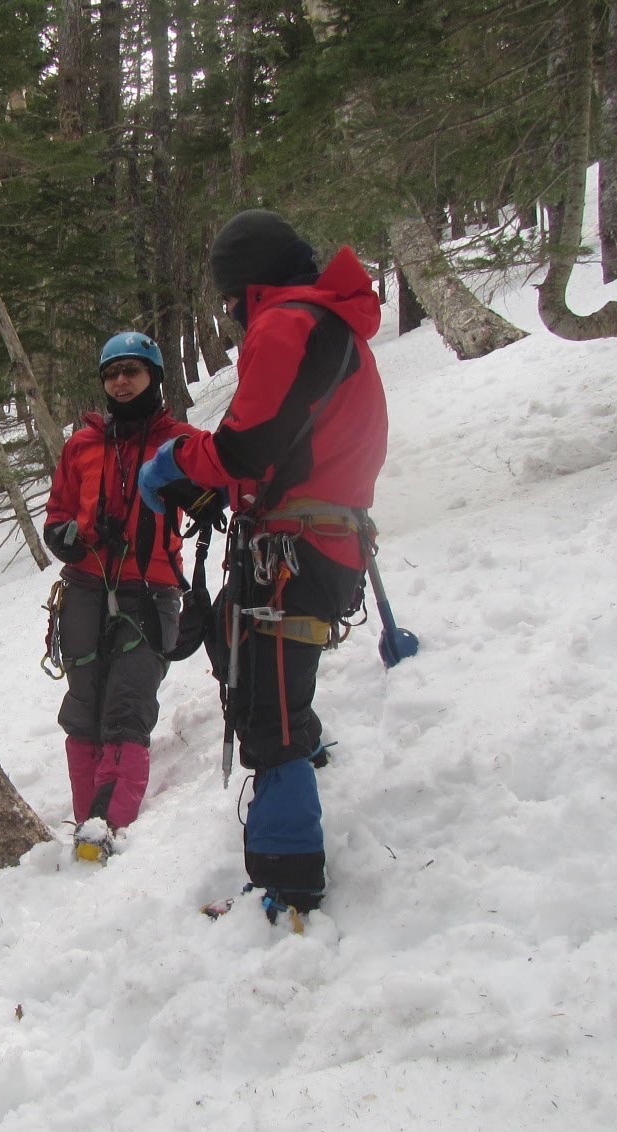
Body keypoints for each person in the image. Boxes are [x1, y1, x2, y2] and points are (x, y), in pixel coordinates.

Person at [137, 209, 388, 924]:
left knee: (268, 709)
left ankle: (290, 882)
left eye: (228, 302)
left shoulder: (287, 324)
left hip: (295, 549)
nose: (229, 317)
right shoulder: (331, 326)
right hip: (319, 538)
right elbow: (284, 445)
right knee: (244, 660)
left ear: (247, 288)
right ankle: (299, 784)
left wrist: (182, 462)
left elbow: (248, 445)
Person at [43, 332, 199, 862]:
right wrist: (62, 534)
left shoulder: (178, 441)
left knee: (128, 705)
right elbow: (58, 509)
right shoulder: (82, 444)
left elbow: (221, 482)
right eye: (111, 373)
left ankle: (108, 820)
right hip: (86, 586)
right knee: (83, 705)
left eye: (132, 370)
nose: (121, 381)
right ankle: (86, 816)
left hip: (150, 591)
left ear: (153, 375)